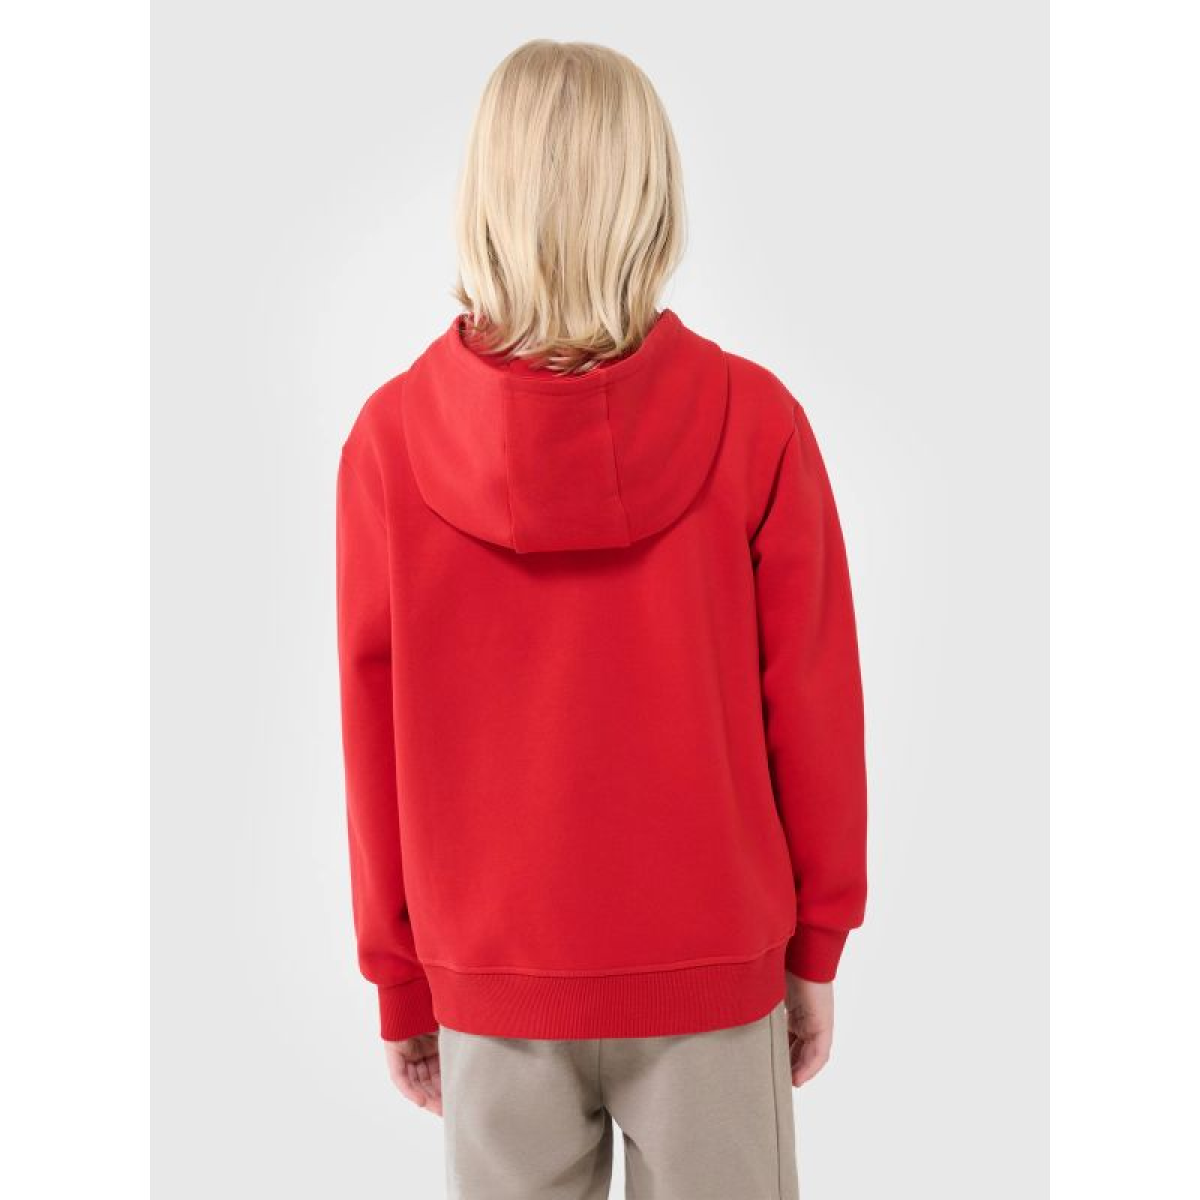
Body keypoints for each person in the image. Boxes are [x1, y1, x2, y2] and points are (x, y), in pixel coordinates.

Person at [335, 39, 867, 1200]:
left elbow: (371, 736)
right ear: (653, 198)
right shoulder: (756, 422)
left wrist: (400, 977)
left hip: (491, 982)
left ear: (483, 199)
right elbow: (815, 708)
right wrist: (816, 947)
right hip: (714, 972)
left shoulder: (390, 441)